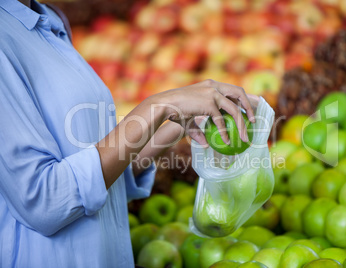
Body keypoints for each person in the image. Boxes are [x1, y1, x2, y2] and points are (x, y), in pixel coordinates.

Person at [0, 0, 256, 267]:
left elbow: (97, 176)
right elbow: (44, 199)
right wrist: (156, 107)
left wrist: (179, 123)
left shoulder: (49, 19)